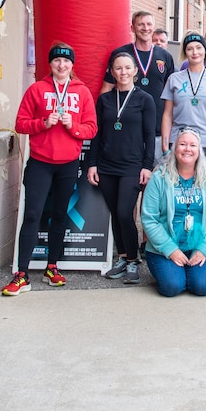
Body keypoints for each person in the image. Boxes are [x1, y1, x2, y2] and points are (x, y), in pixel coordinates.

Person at [4, 43, 97, 296]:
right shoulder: (37, 89)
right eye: (57, 61)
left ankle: (52, 267)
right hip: (40, 163)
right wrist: (43, 123)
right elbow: (20, 124)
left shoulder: (82, 92)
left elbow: (91, 128)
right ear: (50, 64)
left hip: (68, 164)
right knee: (33, 215)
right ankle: (22, 274)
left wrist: (73, 126)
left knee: (59, 215)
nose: (61, 65)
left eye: (66, 62)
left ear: (72, 65)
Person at [86, 50, 156, 284]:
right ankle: (123, 258)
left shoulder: (144, 99)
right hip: (106, 165)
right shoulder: (104, 100)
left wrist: (147, 166)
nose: (123, 72)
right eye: (118, 68)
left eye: (127, 68)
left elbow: (149, 135)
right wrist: (92, 164)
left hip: (132, 166)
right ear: (112, 72)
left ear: (135, 71)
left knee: (126, 212)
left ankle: (134, 261)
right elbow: (96, 135)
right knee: (116, 213)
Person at [141, 127, 206, 297]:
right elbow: (149, 219)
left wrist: (205, 248)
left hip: (200, 245)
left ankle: (188, 272)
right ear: (175, 148)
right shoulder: (159, 177)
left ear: (199, 150)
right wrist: (170, 249)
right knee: (171, 287)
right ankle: (175, 272)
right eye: (182, 144)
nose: (187, 149)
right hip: (165, 246)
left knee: (202, 287)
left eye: (192, 145)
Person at [100, 10, 175, 150]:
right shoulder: (120, 54)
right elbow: (107, 88)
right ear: (132, 28)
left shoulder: (165, 56)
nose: (145, 28)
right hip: (127, 127)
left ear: (153, 26)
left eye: (148, 24)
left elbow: (171, 94)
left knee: (157, 170)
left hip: (157, 129)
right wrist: (102, 119)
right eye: (140, 24)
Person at [161, 32, 206, 171]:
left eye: (198, 47)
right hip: (179, 141)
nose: (194, 52)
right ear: (185, 52)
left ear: (205, 50)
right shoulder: (174, 79)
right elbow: (167, 114)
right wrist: (165, 147)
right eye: (190, 48)